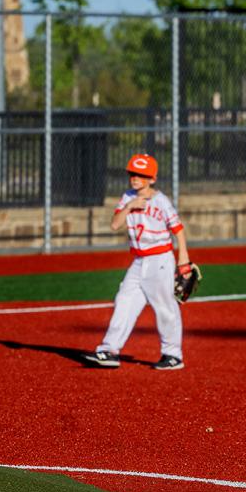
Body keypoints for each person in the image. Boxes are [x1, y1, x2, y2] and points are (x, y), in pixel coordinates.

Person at [83, 154, 192, 370]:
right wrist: (130, 206)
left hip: (160, 260)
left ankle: (173, 355)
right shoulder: (128, 197)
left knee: (164, 307)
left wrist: (183, 260)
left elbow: (178, 230)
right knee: (124, 300)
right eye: (132, 173)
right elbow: (115, 225)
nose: (135, 178)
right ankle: (109, 350)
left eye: (141, 175)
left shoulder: (161, 201)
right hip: (139, 260)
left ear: (152, 179)